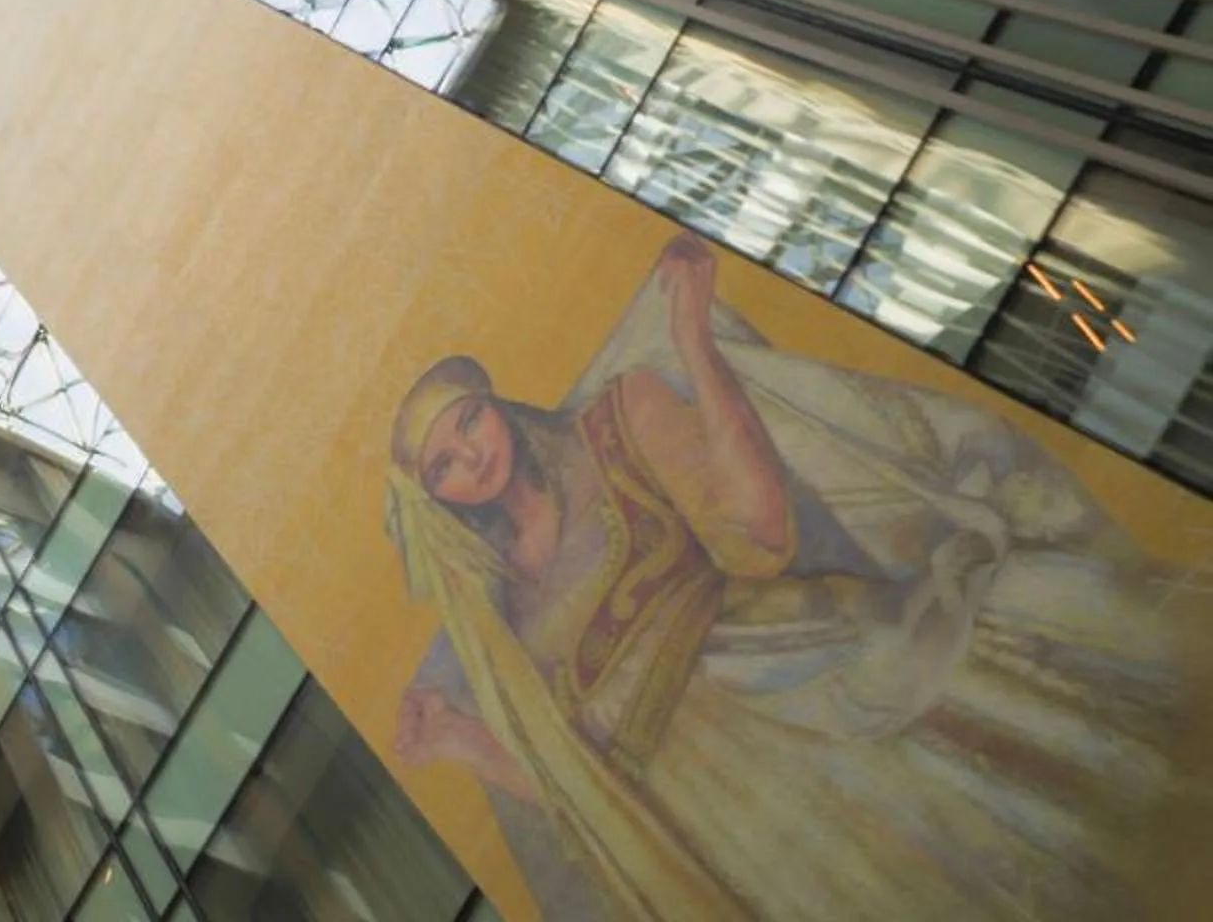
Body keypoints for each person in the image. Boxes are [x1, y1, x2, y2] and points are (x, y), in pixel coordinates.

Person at [385, 234, 1185, 920]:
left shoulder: (618, 420)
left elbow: (761, 537)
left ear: (496, 404)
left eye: (468, 421)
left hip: (797, 692)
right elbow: (583, 780)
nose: (472, 457)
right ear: (436, 501)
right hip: (717, 821)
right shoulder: (499, 605)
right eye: (444, 466)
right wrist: (459, 739)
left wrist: (694, 344)